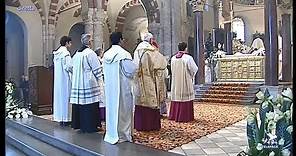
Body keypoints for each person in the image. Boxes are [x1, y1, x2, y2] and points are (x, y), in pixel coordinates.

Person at [104, 32, 136, 144]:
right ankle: (124, 134)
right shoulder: (124, 54)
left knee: (112, 110)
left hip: (110, 88)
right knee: (124, 111)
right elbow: (130, 71)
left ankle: (112, 133)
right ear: (120, 40)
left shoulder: (106, 54)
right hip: (123, 87)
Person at [133, 32, 167, 131]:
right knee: (150, 100)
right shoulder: (150, 51)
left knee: (140, 101)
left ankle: (140, 124)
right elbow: (162, 63)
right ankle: (151, 125)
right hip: (149, 79)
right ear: (151, 40)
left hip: (138, 79)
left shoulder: (137, 50)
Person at [70, 34, 102, 133]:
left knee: (81, 104)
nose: (92, 42)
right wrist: (101, 78)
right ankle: (90, 126)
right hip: (88, 83)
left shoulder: (77, 53)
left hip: (78, 83)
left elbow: (70, 67)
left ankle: (80, 124)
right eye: (91, 40)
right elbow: (96, 68)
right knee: (90, 104)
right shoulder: (90, 53)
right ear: (89, 42)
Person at [169, 42, 198, 122]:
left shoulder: (173, 58)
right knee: (185, 97)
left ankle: (174, 115)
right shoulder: (188, 58)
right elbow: (194, 69)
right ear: (186, 48)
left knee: (176, 96)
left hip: (175, 81)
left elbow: (171, 70)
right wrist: (191, 76)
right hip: (185, 81)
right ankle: (184, 116)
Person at [53, 36, 73, 126]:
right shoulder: (66, 53)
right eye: (70, 43)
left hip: (58, 80)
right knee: (66, 97)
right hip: (65, 79)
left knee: (59, 98)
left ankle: (60, 118)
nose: (71, 45)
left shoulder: (57, 53)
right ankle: (66, 119)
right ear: (67, 43)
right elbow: (69, 67)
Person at [94, 47, 106, 121]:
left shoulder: (100, 59)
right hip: (99, 79)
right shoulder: (98, 60)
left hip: (100, 79)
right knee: (101, 96)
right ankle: (102, 115)